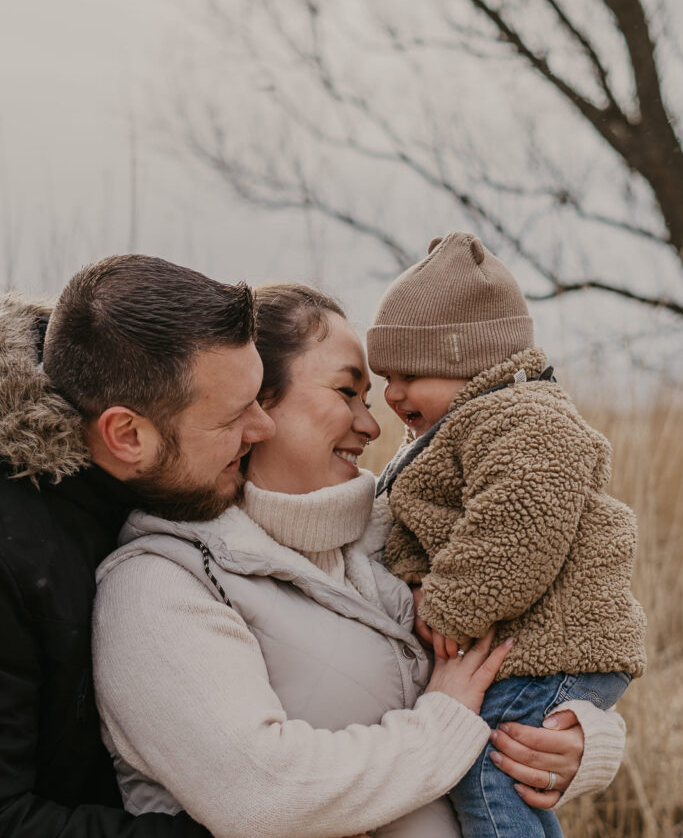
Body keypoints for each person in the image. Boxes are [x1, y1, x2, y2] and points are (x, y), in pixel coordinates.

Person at [93, 283, 627, 838]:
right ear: (255, 403)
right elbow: (261, 791)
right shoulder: (162, 584)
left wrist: (582, 742)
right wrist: (445, 724)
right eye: (347, 393)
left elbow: (551, 643)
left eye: (369, 401)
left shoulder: (397, 539)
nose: (373, 426)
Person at [366, 232, 647, 838]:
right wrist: (416, 583)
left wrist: (447, 606)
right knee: (499, 772)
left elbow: (519, 525)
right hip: (532, 651)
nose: (391, 395)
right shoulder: (455, 433)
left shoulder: (522, 419)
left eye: (411, 373)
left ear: (471, 362)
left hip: (557, 647)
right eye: (383, 376)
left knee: (488, 769)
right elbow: (427, 527)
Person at [0, 254, 275, 837]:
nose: (263, 428)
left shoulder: (186, 475)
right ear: (127, 435)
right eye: (233, 416)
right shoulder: (13, 558)